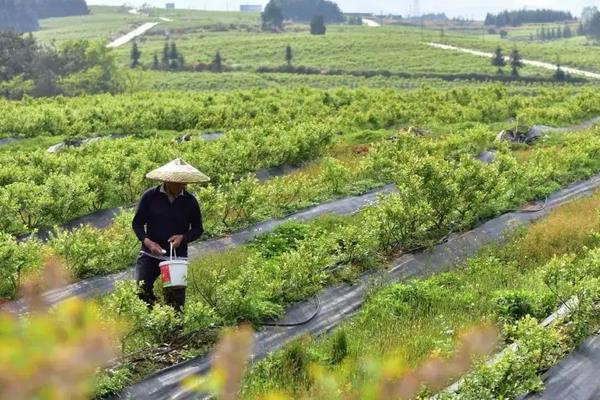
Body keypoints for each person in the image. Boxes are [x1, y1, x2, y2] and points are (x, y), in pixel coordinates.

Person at [132, 158, 209, 310]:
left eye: (184, 183)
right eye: (177, 182)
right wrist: (148, 243)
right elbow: (137, 223)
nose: (181, 186)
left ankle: (172, 328)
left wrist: (183, 237)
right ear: (167, 180)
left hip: (176, 258)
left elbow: (198, 229)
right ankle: (155, 318)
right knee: (141, 290)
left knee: (175, 301)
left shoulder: (190, 201)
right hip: (150, 254)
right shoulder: (150, 197)